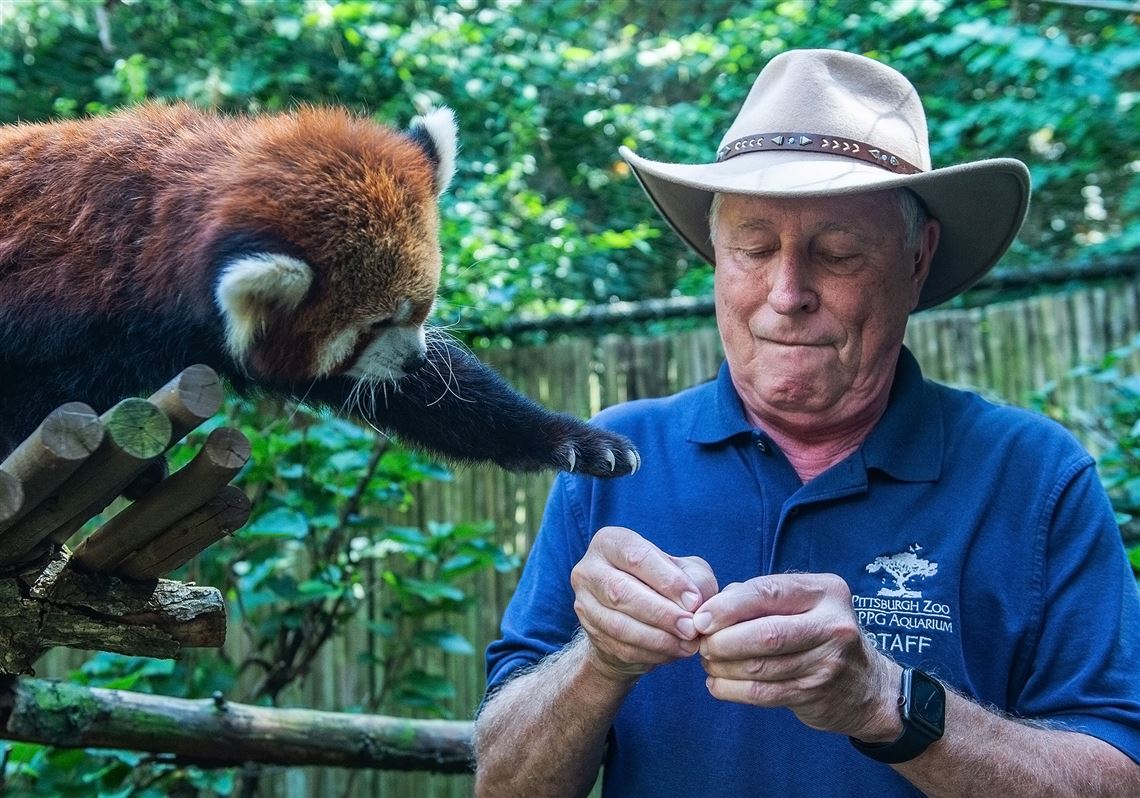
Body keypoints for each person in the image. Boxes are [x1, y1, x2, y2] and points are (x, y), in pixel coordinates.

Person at [472, 48, 1140, 797]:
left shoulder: (1035, 479)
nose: (786, 293)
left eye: (838, 253)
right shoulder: (616, 460)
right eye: (753, 248)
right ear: (716, 258)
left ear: (918, 260)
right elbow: (502, 783)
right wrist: (598, 662)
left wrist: (887, 703)